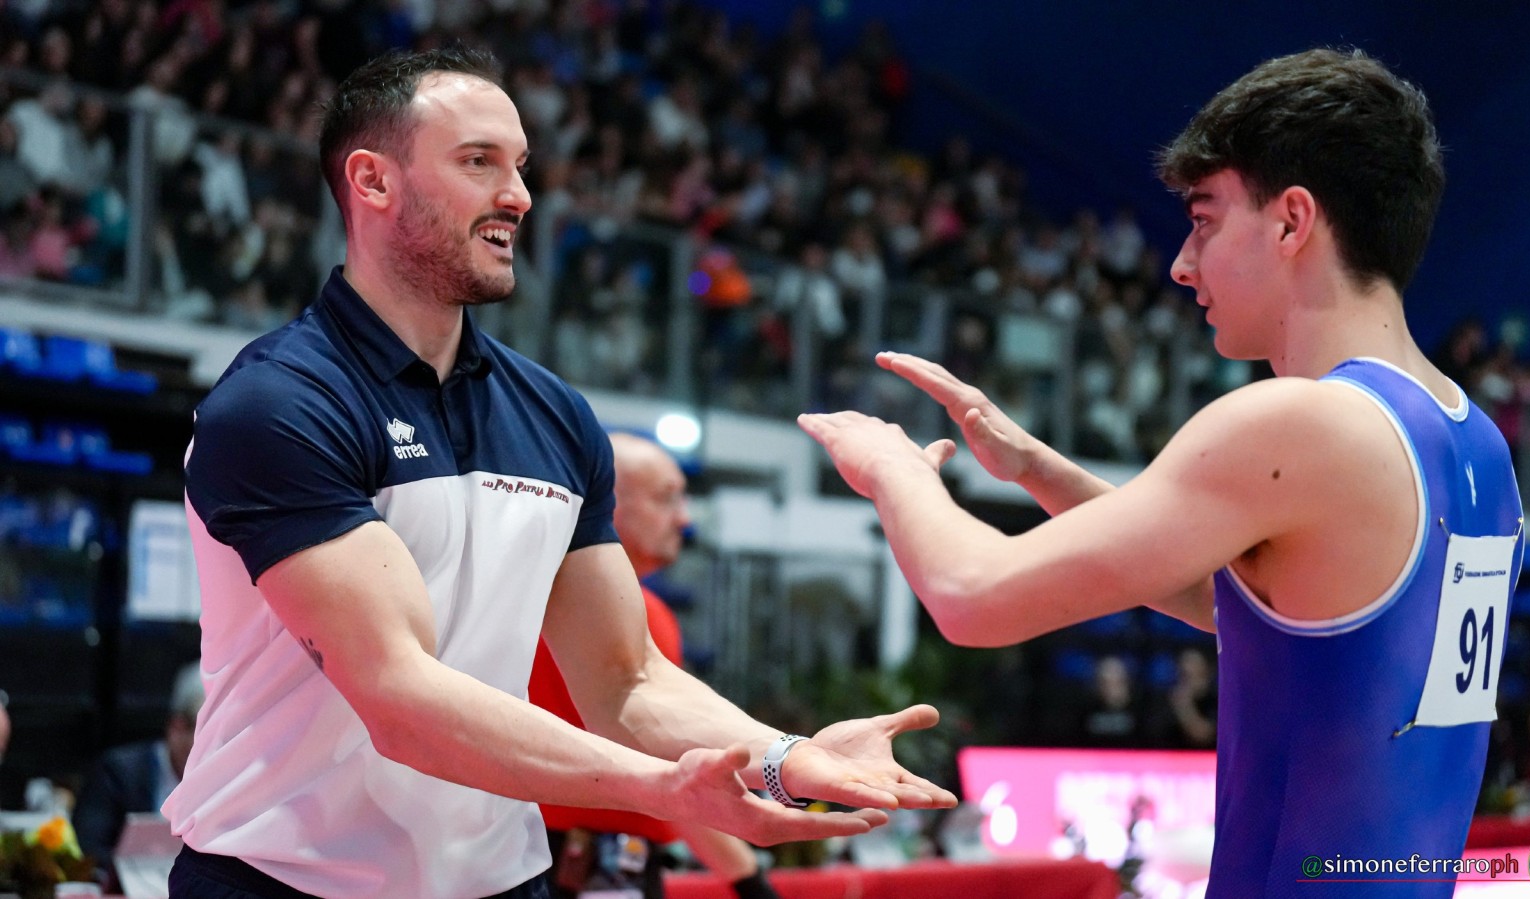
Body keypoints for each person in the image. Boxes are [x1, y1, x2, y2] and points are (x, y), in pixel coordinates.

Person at [167, 46, 953, 899]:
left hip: (506, 880)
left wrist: (785, 757)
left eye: (520, 165)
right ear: (373, 181)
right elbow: (400, 698)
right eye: (479, 162)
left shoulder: (554, 413)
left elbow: (628, 681)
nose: (519, 194)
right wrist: (661, 788)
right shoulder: (276, 404)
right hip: (280, 879)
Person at [798, 48, 1523, 897]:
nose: (1182, 262)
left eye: (1205, 220)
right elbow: (1260, 612)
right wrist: (1036, 468)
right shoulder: (1478, 445)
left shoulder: (1298, 423)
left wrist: (894, 468)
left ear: (1292, 221)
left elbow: (969, 593)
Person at [530, 432, 779, 899]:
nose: (684, 519)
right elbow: (674, 769)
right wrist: (751, 883)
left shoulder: (538, 596)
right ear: (603, 498)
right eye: (665, 499)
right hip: (583, 865)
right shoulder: (632, 612)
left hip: (564, 860)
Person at [73, 661, 203, 891]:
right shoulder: (118, 772)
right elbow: (88, 848)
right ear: (177, 727)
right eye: (208, 734)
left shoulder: (228, 783)